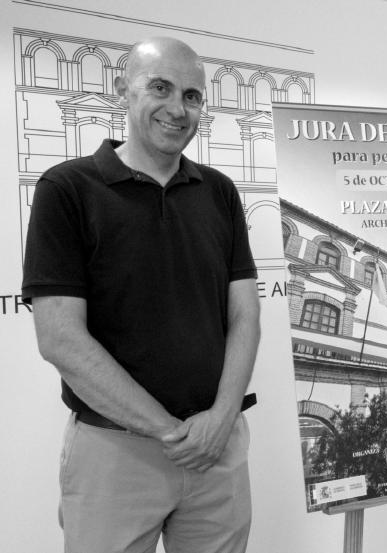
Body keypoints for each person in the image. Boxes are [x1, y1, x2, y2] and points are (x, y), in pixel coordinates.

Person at [21, 36, 261, 553]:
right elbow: (59, 338)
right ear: (122, 90)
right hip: (117, 452)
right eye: (160, 88)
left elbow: (244, 316)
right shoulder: (67, 189)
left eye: (192, 96)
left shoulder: (219, 191)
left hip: (218, 447)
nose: (178, 109)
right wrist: (171, 432)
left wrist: (221, 419)